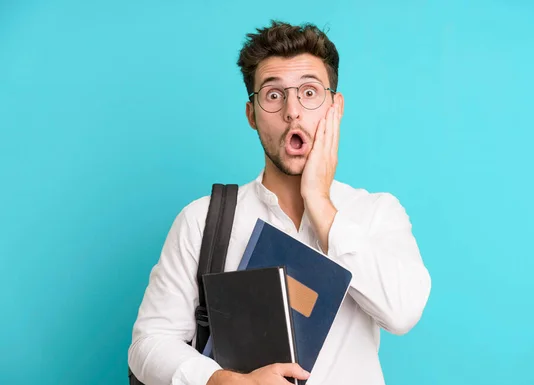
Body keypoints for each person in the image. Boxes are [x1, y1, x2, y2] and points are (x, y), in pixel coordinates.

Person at [128, 20, 431, 385]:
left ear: (335, 107)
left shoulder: (378, 213)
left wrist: (319, 201)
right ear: (252, 115)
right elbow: (149, 343)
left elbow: (402, 312)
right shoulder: (203, 220)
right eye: (273, 95)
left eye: (309, 92)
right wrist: (227, 382)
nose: (292, 111)